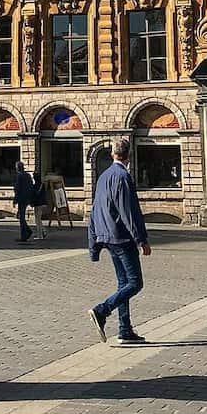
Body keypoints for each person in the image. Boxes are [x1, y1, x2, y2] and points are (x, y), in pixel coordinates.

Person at [87, 138, 151, 346]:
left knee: (124, 283)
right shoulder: (123, 176)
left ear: (113, 154)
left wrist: (94, 242)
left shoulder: (104, 176)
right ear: (129, 155)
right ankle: (102, 310)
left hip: (107, 236)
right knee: (135, 283)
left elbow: (95, 209)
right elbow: (128, 211)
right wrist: (141, 239)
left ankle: (125, 330)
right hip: (122, 237)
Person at [12, 160, 34, 243]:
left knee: (21, 217)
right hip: (27, 198)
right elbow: (31, 186)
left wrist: (15, 200)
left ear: (18, 168)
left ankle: (25, 235)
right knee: (21, 216)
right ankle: (27, 232)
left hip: (21, 199)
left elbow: (17, 189)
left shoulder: (19, 176)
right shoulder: (28, 175)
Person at [31, 169, 48, 239]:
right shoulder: (42, 185)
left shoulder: (34, 186)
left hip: (37, 203)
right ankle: (43, 231)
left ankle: (40, 235)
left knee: (37, 220)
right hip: (43, 203)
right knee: (39, 219)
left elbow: (34, 195)